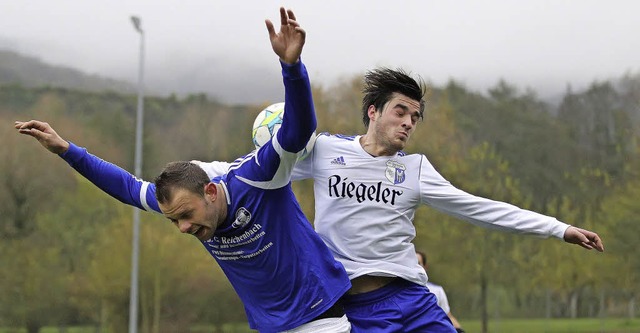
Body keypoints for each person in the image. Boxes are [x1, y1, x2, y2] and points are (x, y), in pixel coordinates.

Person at [15, 7, 352, 333]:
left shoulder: (257, 176)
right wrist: (66, 150)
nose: (182, 227)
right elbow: (128, 188)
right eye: (174, 220)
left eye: (186, 215)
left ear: (209, 191)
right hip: (272, 325)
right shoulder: (182, 198)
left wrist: (291, 67)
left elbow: (297, 131)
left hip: (320, 316)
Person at [197, 68, 604, 332]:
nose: (409, 122)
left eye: (415, 116)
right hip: (358, 311)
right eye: (400, 111)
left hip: (414, 301)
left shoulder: (416, 171)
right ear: (373, 111)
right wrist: (190, 176)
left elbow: (482, 208)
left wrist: (559, 228)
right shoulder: (323, 152)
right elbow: (242, 171)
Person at [416, 250, 465, 333]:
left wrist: (460, 331)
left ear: (425, 267)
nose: (415, 267)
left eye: (418, 263)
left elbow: (447, 315)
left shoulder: (437, 290)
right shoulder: (397, 292)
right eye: (412, 264)